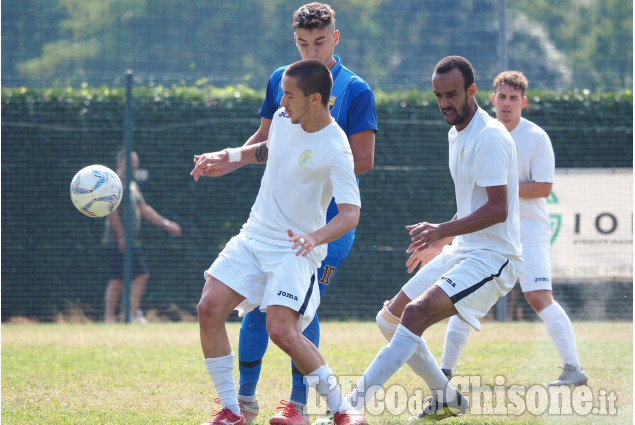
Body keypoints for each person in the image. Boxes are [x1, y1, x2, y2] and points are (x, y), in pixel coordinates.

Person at [201, 3, 377, 424]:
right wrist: (229, 158)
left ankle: (306, 406)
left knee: (288, 323)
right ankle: (237, 405)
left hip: (316, 231)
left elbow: (360, 162)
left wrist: (311, 188)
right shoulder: (286, 94)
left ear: (335, 37)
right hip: (262, 231)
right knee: (225, 311)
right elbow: (265, 143)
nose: (310, 50)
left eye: (319, 42)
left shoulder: (353, 95)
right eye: (302, 43)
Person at [339, 55, 522, 422]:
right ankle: (446, 398)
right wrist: (443, 241)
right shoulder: (457, 133)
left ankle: (348, 408)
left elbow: (498, 209)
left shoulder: (488, 136)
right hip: (464, 248)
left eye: (452, 94)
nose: (444, 103)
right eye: (438, 95)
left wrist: (441, 231)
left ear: (472, 90)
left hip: (494, 258)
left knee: (415, 313)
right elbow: (474, 202)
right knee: (388, 319)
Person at [438, 71, 588, 386]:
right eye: (502, 97)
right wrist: (446, 235)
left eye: (513, 98)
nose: (507, 104)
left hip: (529, 232)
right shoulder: (480, 132)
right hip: (487, 236)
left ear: (524, 102)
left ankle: (573, 369)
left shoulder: (536, 137)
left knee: (538, 296)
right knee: (463, 297)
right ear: (492, 98)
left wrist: (501, 189)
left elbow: (544, 187)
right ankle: (445, 372)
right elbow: (472, 199)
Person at [102, 149, 182, 323]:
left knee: (119, 278)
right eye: (131, 161)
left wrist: (166, 224)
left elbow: (143, 208)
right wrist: (121, 236)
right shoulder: (115, 183)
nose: (135, 165)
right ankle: (127, 315)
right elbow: (111, 210)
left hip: (127, 240)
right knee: (134, 276)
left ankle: (121, 316)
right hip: (117, 240)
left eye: (136, 161)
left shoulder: (131, 184)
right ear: (120, 162)